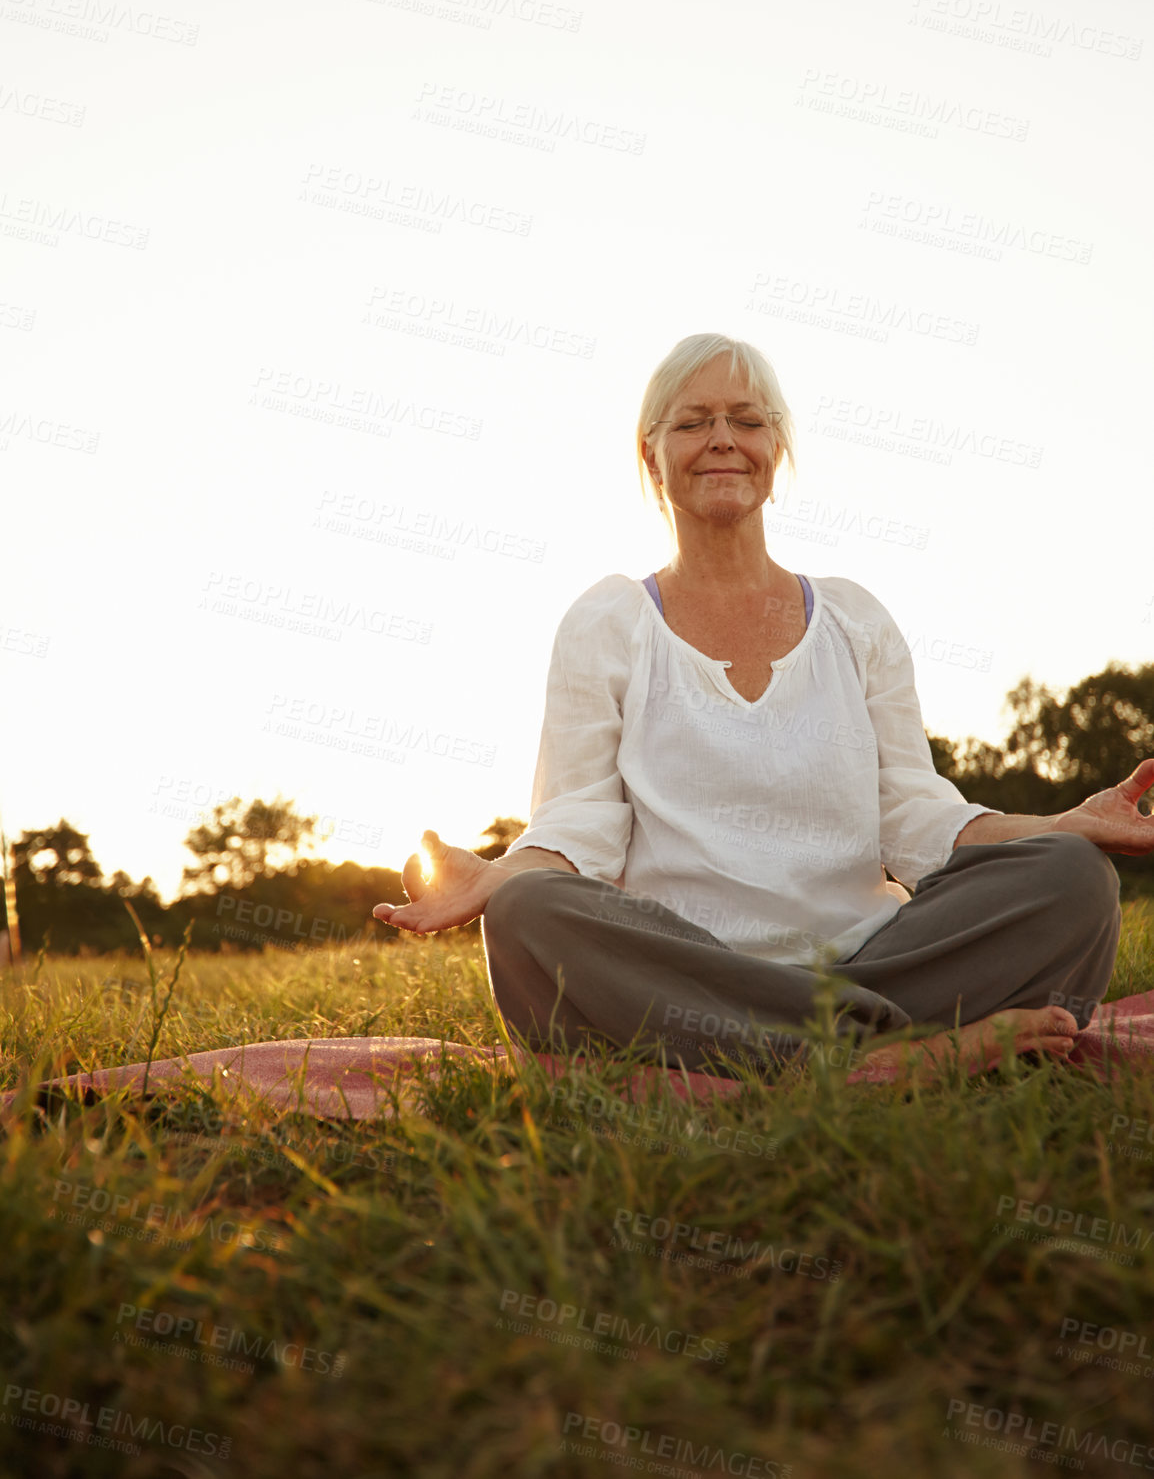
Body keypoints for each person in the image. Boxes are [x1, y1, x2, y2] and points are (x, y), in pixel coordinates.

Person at [373, 335, 1153, 1082]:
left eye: (747, 421)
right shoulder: (609, 622)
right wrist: (505, 874)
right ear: (652, 455)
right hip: (689, 973)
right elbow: (580, 824)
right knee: (530, 914)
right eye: (692, 422)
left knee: (1074, 879)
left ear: (776, 451)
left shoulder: (855, 619)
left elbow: (919, 818)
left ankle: (806, 1054)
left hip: (872, 958)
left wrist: (1062, 826)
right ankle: (893, 1051)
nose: (722, 439)